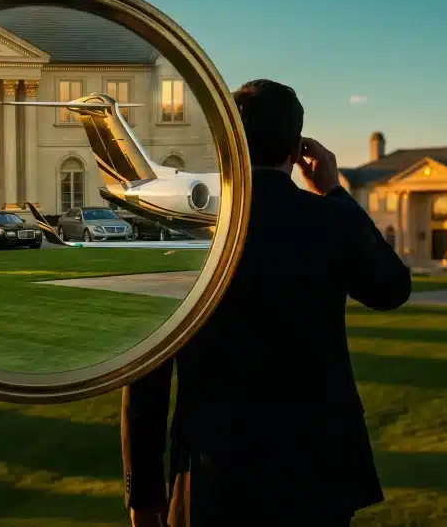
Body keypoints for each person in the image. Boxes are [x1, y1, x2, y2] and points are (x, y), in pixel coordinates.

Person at [120, 79, 412, 527]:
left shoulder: (190, 238)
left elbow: (147, 374)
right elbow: (392, 289)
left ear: (230, 141)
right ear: (298, 149)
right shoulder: (330, 222)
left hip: (213, 471)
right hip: (317, 472)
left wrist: (143, 493)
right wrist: (332, 191)